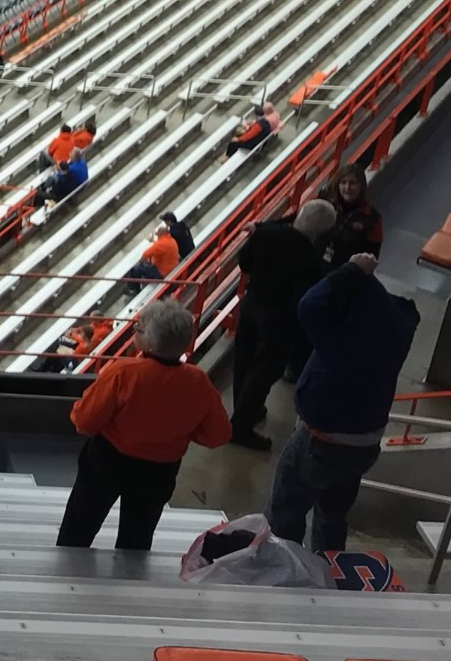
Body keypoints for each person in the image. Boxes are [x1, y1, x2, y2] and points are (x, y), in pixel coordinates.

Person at [266, 253, 419, 551]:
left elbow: (309, 306)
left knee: (286, 510)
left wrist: (349, 271)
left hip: (321, 442)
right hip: (363, 444)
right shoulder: (397, 328)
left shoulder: (344, 339)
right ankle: (329, 570)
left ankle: (283, 572)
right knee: (332, 515)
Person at [55, 300, 230, 550]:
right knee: (137, 535)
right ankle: (130, 581)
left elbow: (85, 421)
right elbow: (218, 435)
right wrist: (181, 431)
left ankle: (64, 573)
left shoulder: (123, 373)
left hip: (108, 461)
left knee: (80, 524)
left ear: (149, 341)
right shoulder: (198, 382)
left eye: (138, 328)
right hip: (159, 472)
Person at [228, 199, 337, 450]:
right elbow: (303, 298)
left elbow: (244, 263)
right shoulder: (310, 258)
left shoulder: (266, 233)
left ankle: (245, 411)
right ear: (320, 231)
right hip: (278, 320)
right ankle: (241, 427)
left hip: (251, 303)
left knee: (244, 361)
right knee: (263, 372)